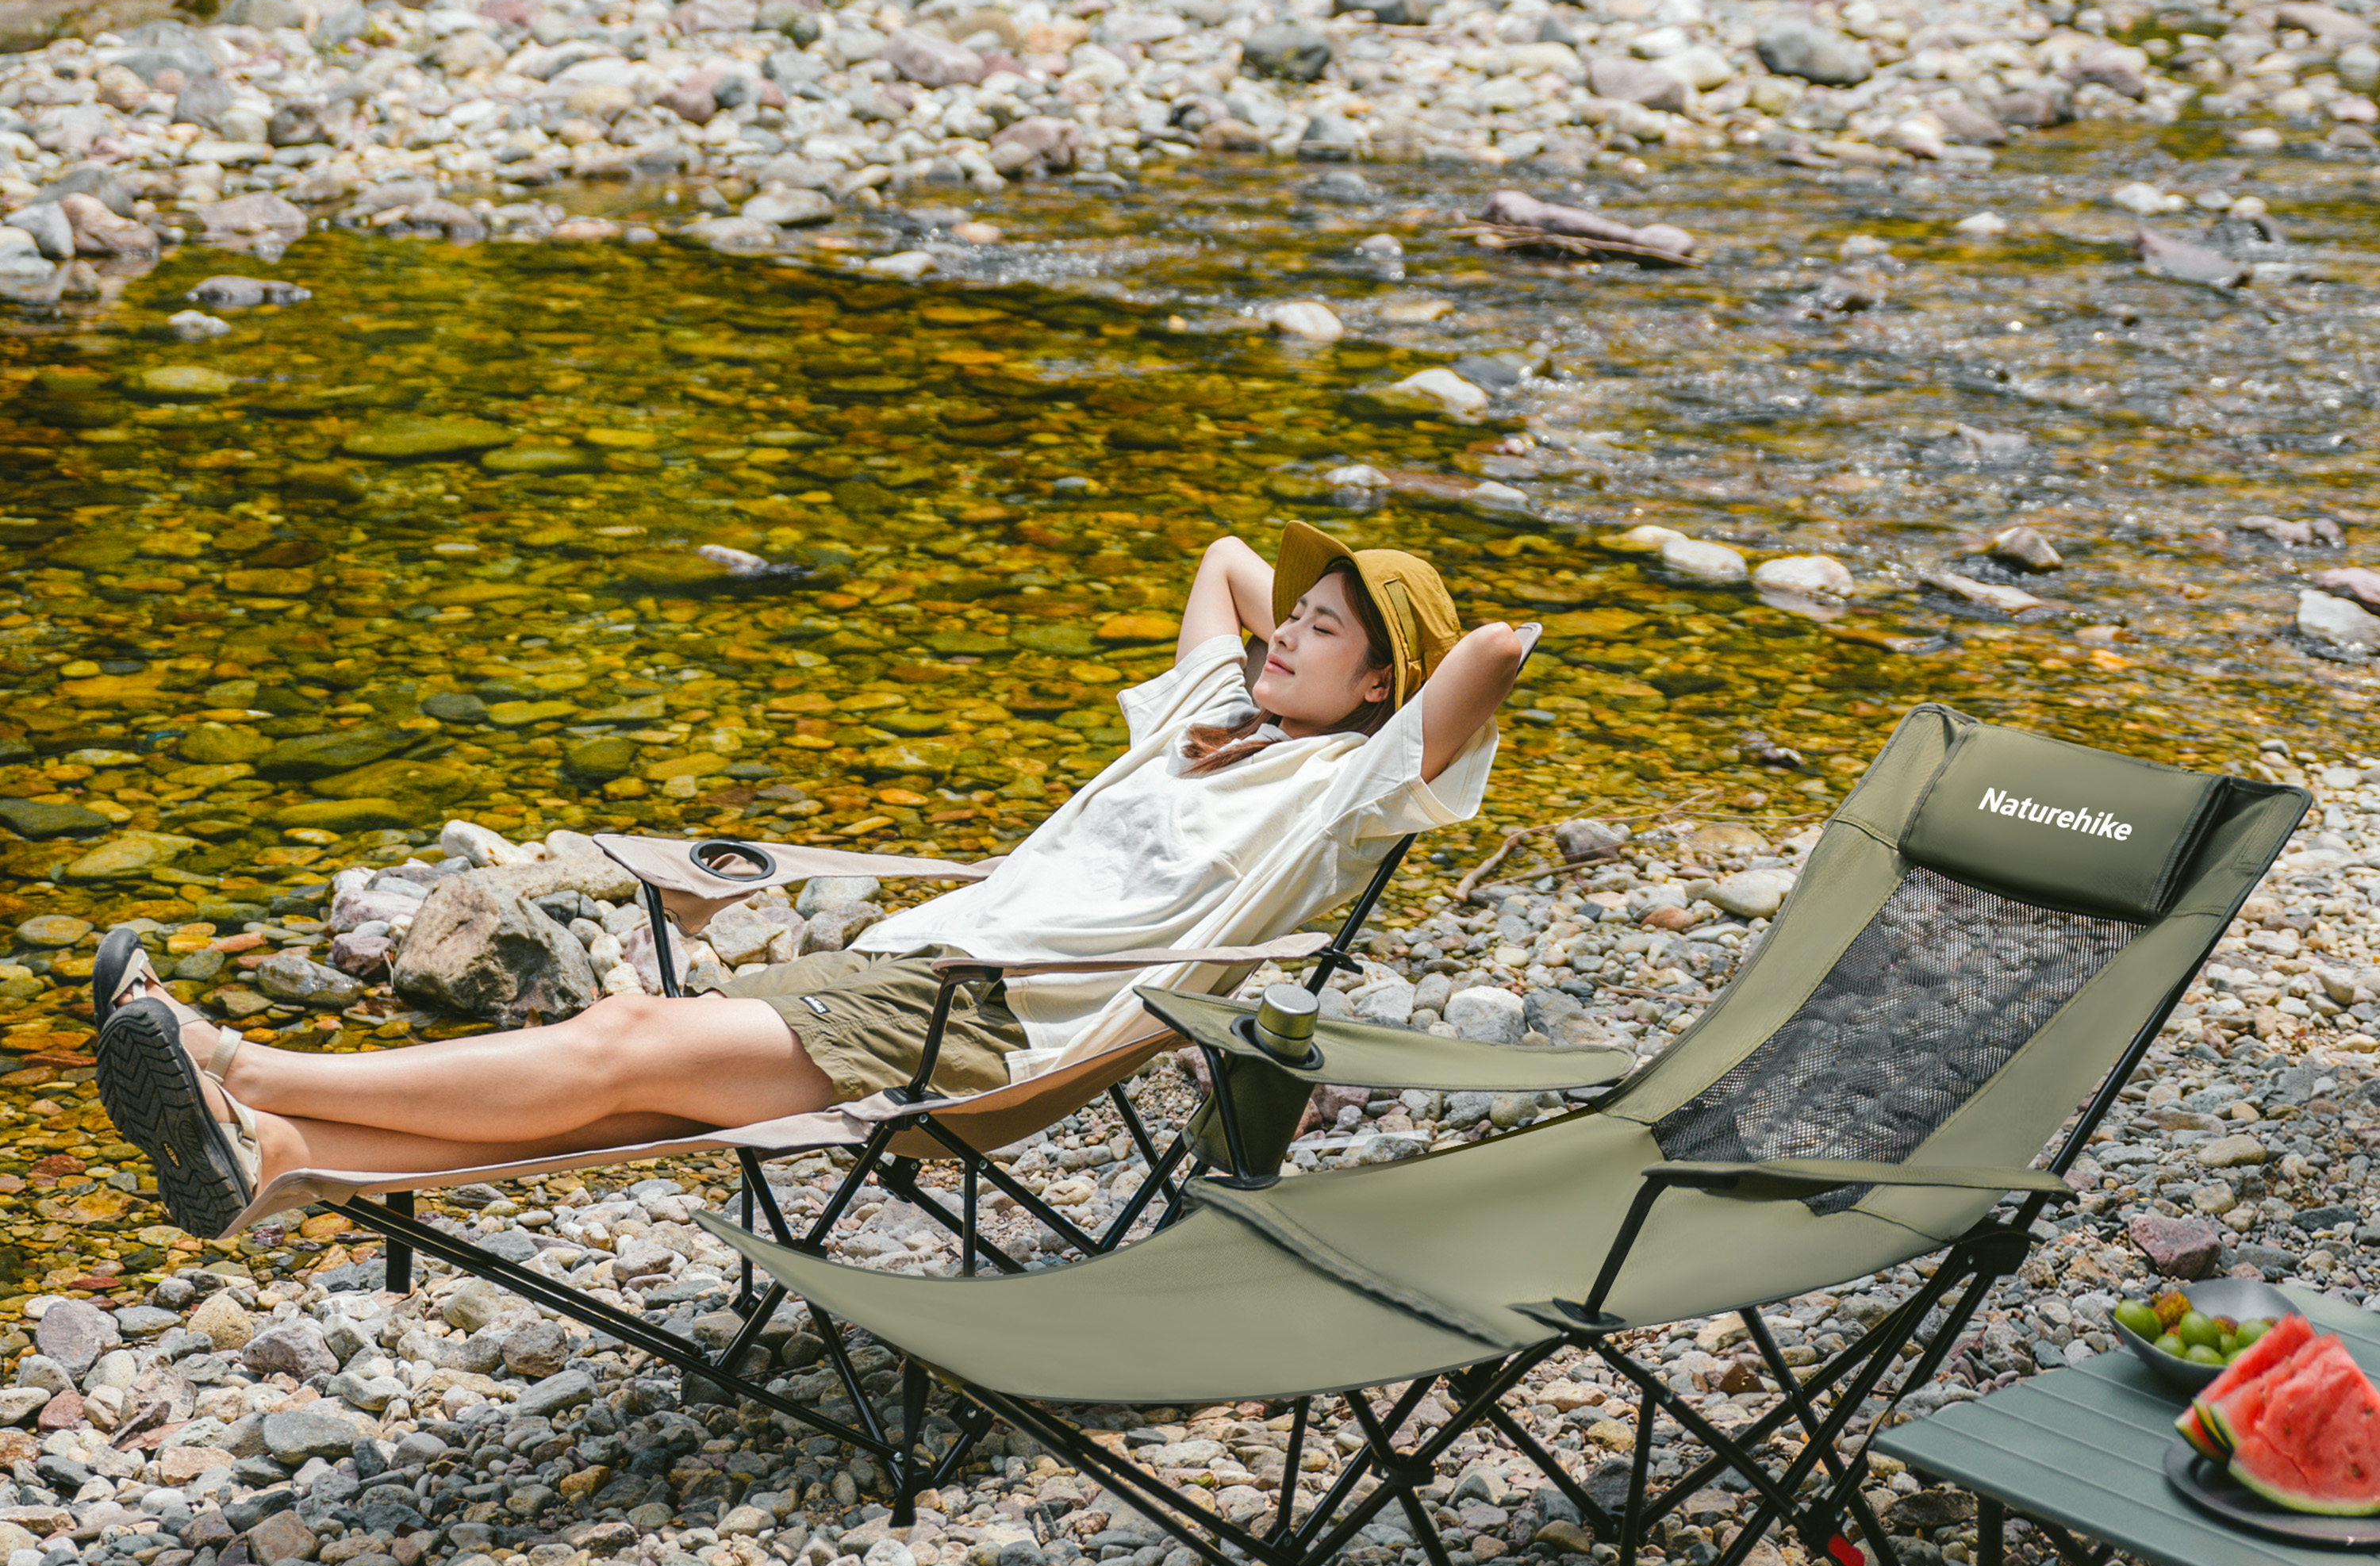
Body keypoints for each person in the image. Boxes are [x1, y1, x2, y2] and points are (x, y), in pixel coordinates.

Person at [93, 521, 1538, 1238]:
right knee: (623, 1096)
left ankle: (240, 1061)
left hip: (980, 1034)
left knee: (616, 1043)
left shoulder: (1341, 792)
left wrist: (1380, 670)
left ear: (1379, 695)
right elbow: (1226, 559)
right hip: (901, 973)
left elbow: (1494, 654)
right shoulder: (1206, 725)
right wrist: (1273, 665)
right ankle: (271, 1162)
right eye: (1291, 618)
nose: (1282, 628)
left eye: (1325, 629)